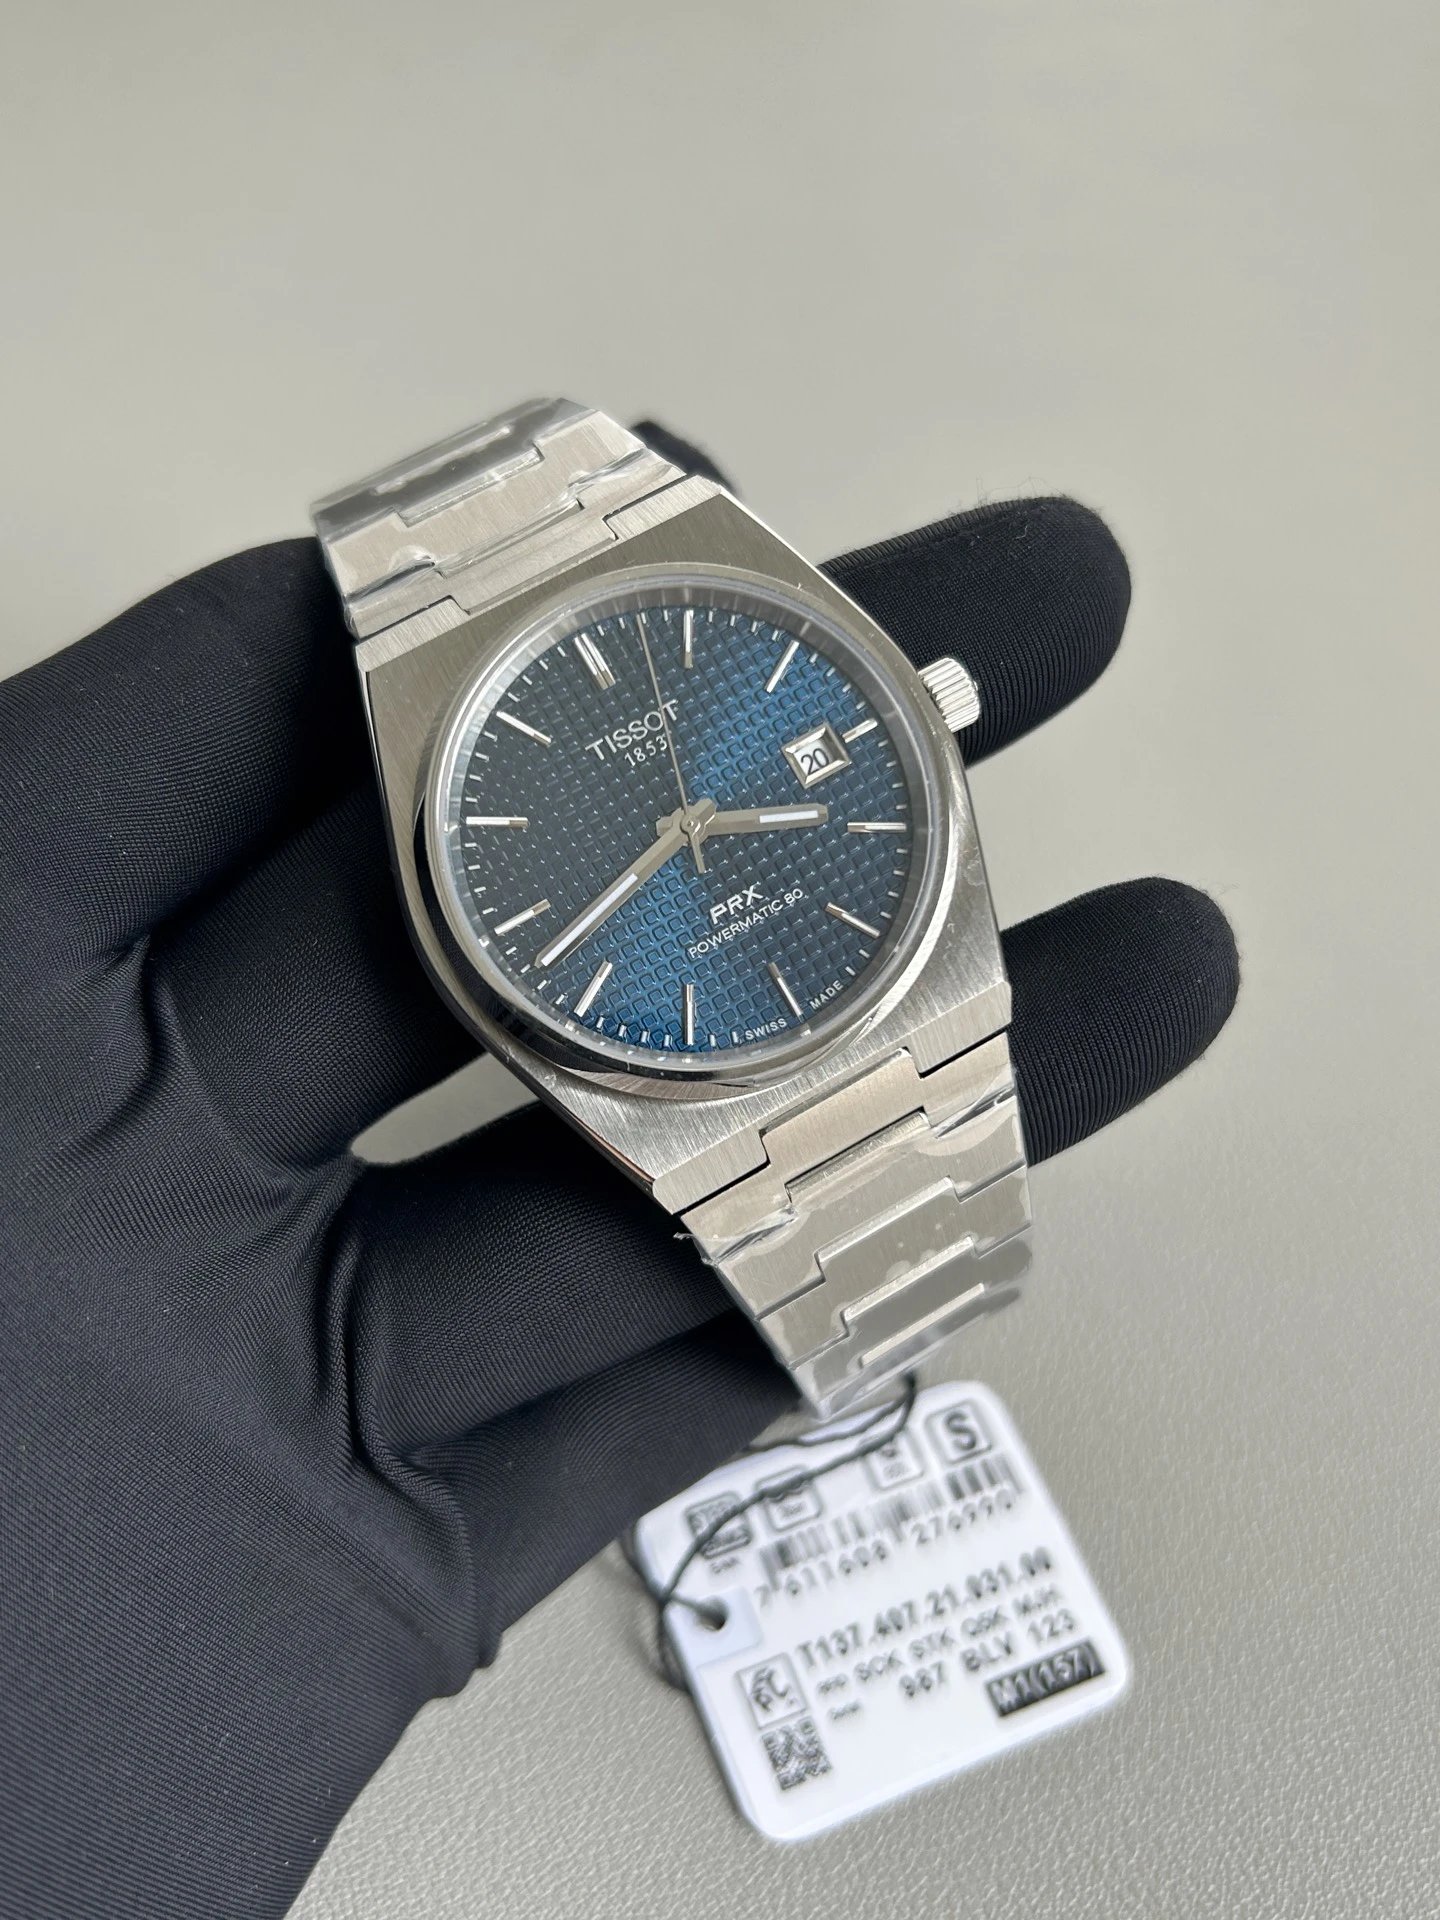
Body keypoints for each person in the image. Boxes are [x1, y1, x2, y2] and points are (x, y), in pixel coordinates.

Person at [0, 424, 1238, 1918]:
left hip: (851, 971)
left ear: (934, 707)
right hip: (648, 1018)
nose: (689, 825)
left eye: (697, 814)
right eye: (673, 827)